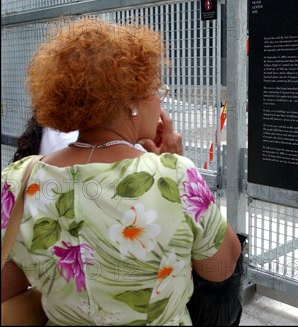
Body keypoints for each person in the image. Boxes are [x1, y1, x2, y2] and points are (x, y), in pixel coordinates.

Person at [1, 18, 241, 325]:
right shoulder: (173, 176)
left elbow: (11, 281)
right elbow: (221, 265)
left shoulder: (18, 180)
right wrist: (178, 172)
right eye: (156, 88)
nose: (160, 100)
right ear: (131, 101)